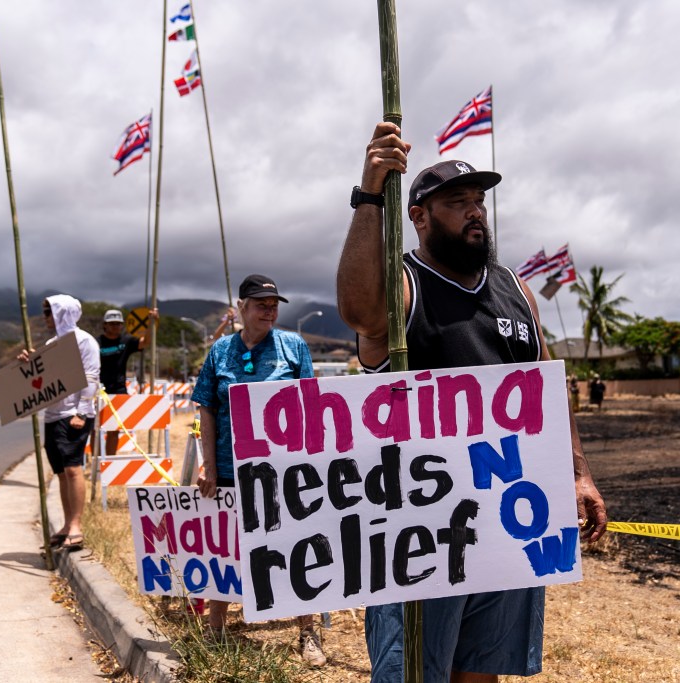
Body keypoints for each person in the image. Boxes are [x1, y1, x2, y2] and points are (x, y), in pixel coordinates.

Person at [336, 122, 608, 683]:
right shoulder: (402, 285)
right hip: (419, 531)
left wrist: (578, 474)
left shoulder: (514, 287)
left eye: (478, 201)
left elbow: (546, 388)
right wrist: (369, 192)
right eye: (457, 203)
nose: (475, 211)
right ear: (419, 216)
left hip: (508, 522)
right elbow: (360, 313)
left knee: (484, 672)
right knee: (412, 674)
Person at [191, 274, 327, 668]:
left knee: (298, 544)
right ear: (242, 308)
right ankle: (216, 626)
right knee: (225, 545)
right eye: (261, 304)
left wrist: (310, 460)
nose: (269, 310)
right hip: (232, 469)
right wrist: (209, 466)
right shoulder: (219, 352)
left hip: (283, 468)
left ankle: (307, 630)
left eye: (274, 304)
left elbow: (310, 404)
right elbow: (206, 408)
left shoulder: (293, 346)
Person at [19, 295, 100, 551]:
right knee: (61, 473)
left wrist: (82, 412)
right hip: (53, 415)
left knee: (74, 469)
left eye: (48, 311)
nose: (44, 317)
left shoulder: (85, 341)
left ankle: (76, 526)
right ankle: (66, 525)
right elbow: (47, 378)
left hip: (73, 415)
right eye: (44, 311)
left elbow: (91, 376)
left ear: (61, 312)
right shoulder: (52, 343)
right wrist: (30, 364)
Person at [98, 307, 157, 454]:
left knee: (113, 429)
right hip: (98, 390)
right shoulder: (96, 342)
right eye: (112, 323)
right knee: (96, 429)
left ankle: (109, 462)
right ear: (105, 325)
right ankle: (96, 464)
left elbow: (146, 342)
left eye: (118, 324)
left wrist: (151, 323)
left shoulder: (126, 341)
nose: (116, 326)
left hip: (119, 390)